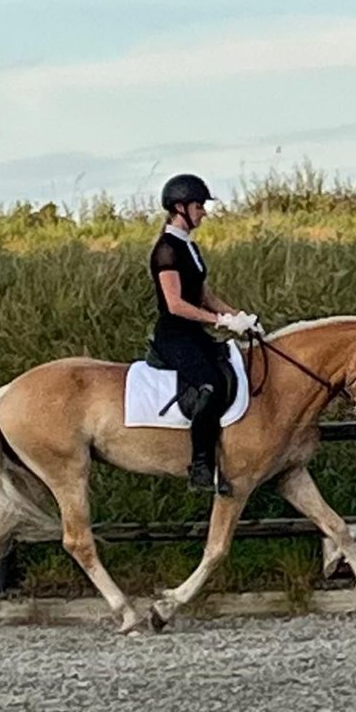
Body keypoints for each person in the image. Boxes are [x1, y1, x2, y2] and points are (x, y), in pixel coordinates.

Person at [149, 173, 261, 494]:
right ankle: (200, 466)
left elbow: (204, 295)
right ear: (180, 207)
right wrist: (218, 321)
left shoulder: (190, 247)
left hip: (194, 333)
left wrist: (239, 317)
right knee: (210, 386)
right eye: (199, 206)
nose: (204, 212)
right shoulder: (166, 250)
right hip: (174, 336)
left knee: (231, 373)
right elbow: (175, 304)